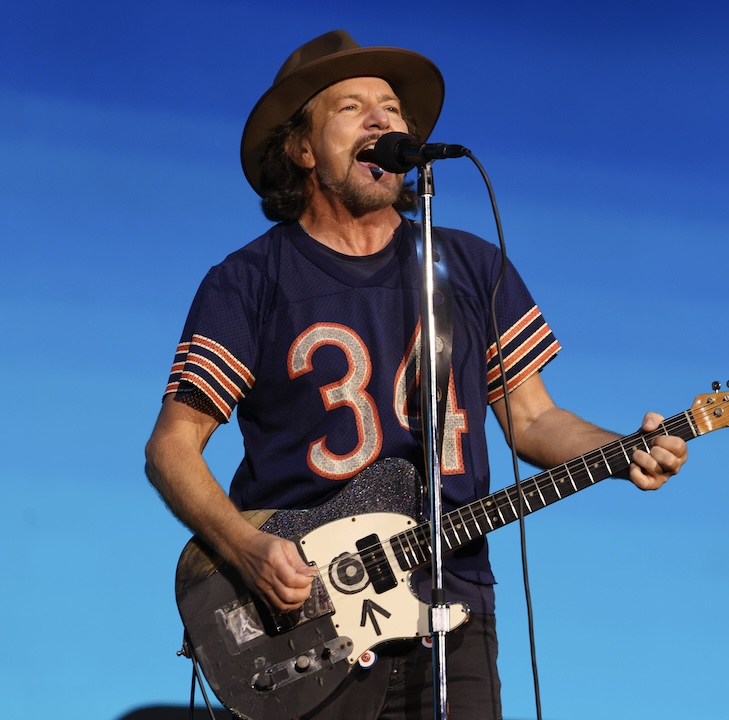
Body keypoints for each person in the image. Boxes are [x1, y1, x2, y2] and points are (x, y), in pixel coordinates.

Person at [143, 30, 687, 720]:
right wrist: (247, 550)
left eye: (393, 109)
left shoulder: (471, 266)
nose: (382, 121)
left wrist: (620, 450)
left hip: (454, 604)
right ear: (302, 149)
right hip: (303, 619)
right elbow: (171, 447)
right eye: (351, 108)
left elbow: (534, 419)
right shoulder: (247, 281)